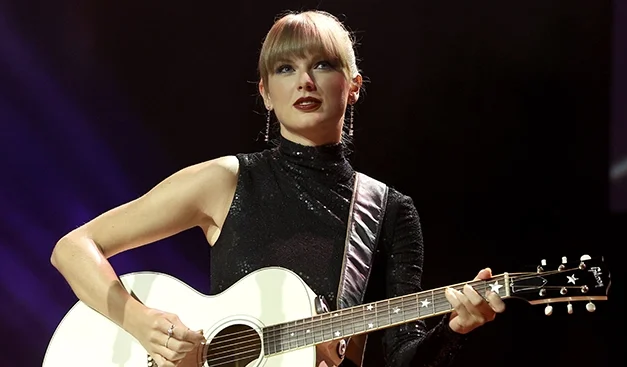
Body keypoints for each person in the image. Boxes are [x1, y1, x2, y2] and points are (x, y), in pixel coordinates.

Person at [50, 9, 505, 367]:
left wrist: (454, 330)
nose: (305, 81)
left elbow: (402, 356)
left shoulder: (388, 210)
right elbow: (73, 248)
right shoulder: (226, 181)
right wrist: (143, 323)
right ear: (266, 92)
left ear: (354, 87)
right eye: (286, 68)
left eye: (323, 65)